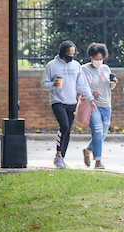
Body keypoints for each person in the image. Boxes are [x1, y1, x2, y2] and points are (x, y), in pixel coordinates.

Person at [41, 40, 96, 169]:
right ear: (62, 52)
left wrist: (90, 99)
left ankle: (62, 159)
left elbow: (82, 85)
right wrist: (52, 85)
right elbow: (44, 84)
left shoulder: (76, 66)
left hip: (71, 101)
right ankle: (58, 155)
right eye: (68, 53)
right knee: (64, 125)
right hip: (57, 100)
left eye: (73, 53)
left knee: (68, 131)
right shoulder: (52, 65)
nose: (71, 56)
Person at [81, 43, 117, 170]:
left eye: (100, 59)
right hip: (92, 104)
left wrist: (113, 83)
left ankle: (88, 150)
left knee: (103, 134)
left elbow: (109, 86)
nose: (98, 61)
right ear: (91, 57)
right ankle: (98, 161)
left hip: (106, 104)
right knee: (97, 130)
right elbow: (80, 87)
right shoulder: (84, 69)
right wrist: (91, 95)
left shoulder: (106, 69)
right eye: (96, 59)